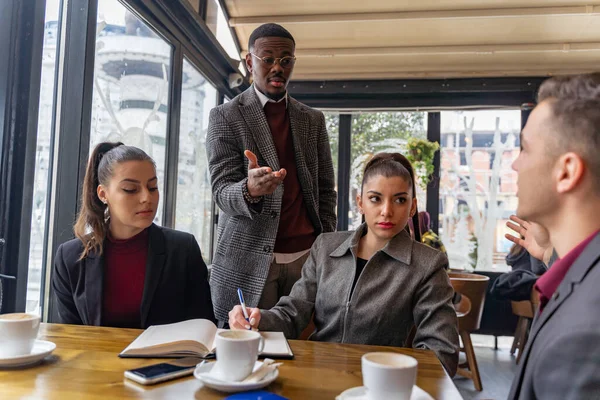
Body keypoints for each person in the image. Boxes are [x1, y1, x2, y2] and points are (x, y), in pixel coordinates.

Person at [228, 153, 459, 375]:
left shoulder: (428, 265)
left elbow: (441, 353)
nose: (386, 211)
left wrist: (391, 379)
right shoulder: (326, 247)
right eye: (375, 198)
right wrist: (257, 318)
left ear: (412, 206)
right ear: (360, 202)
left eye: (399, 200)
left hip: (378, 386)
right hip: (316, 376)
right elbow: (291, 314)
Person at [206, 23, 337, 323]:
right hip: (248, 258)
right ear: (250, 62)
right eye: (268, 59)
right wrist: (248, 190)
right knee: (251, 349)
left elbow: (325, 190)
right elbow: (221, 192)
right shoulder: (226, 116)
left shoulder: (312, 120)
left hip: (306, 257)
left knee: (305, 348)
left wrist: (324, 243)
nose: (277, 67)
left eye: (286, 60)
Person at [506, 73, 600, 400]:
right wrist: (550, 255)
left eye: (525, 148)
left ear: (566, 171)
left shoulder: (584, 338)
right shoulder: (582, 273)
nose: (515, 164)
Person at [52, 142, 215, 328]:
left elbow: (203, 329)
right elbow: (71, 337)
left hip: (168, 357)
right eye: (131, 189)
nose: (147, 197)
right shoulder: (70, 258)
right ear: (103, 194)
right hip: (96, 357)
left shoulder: (183, 250)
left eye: (152, 187)